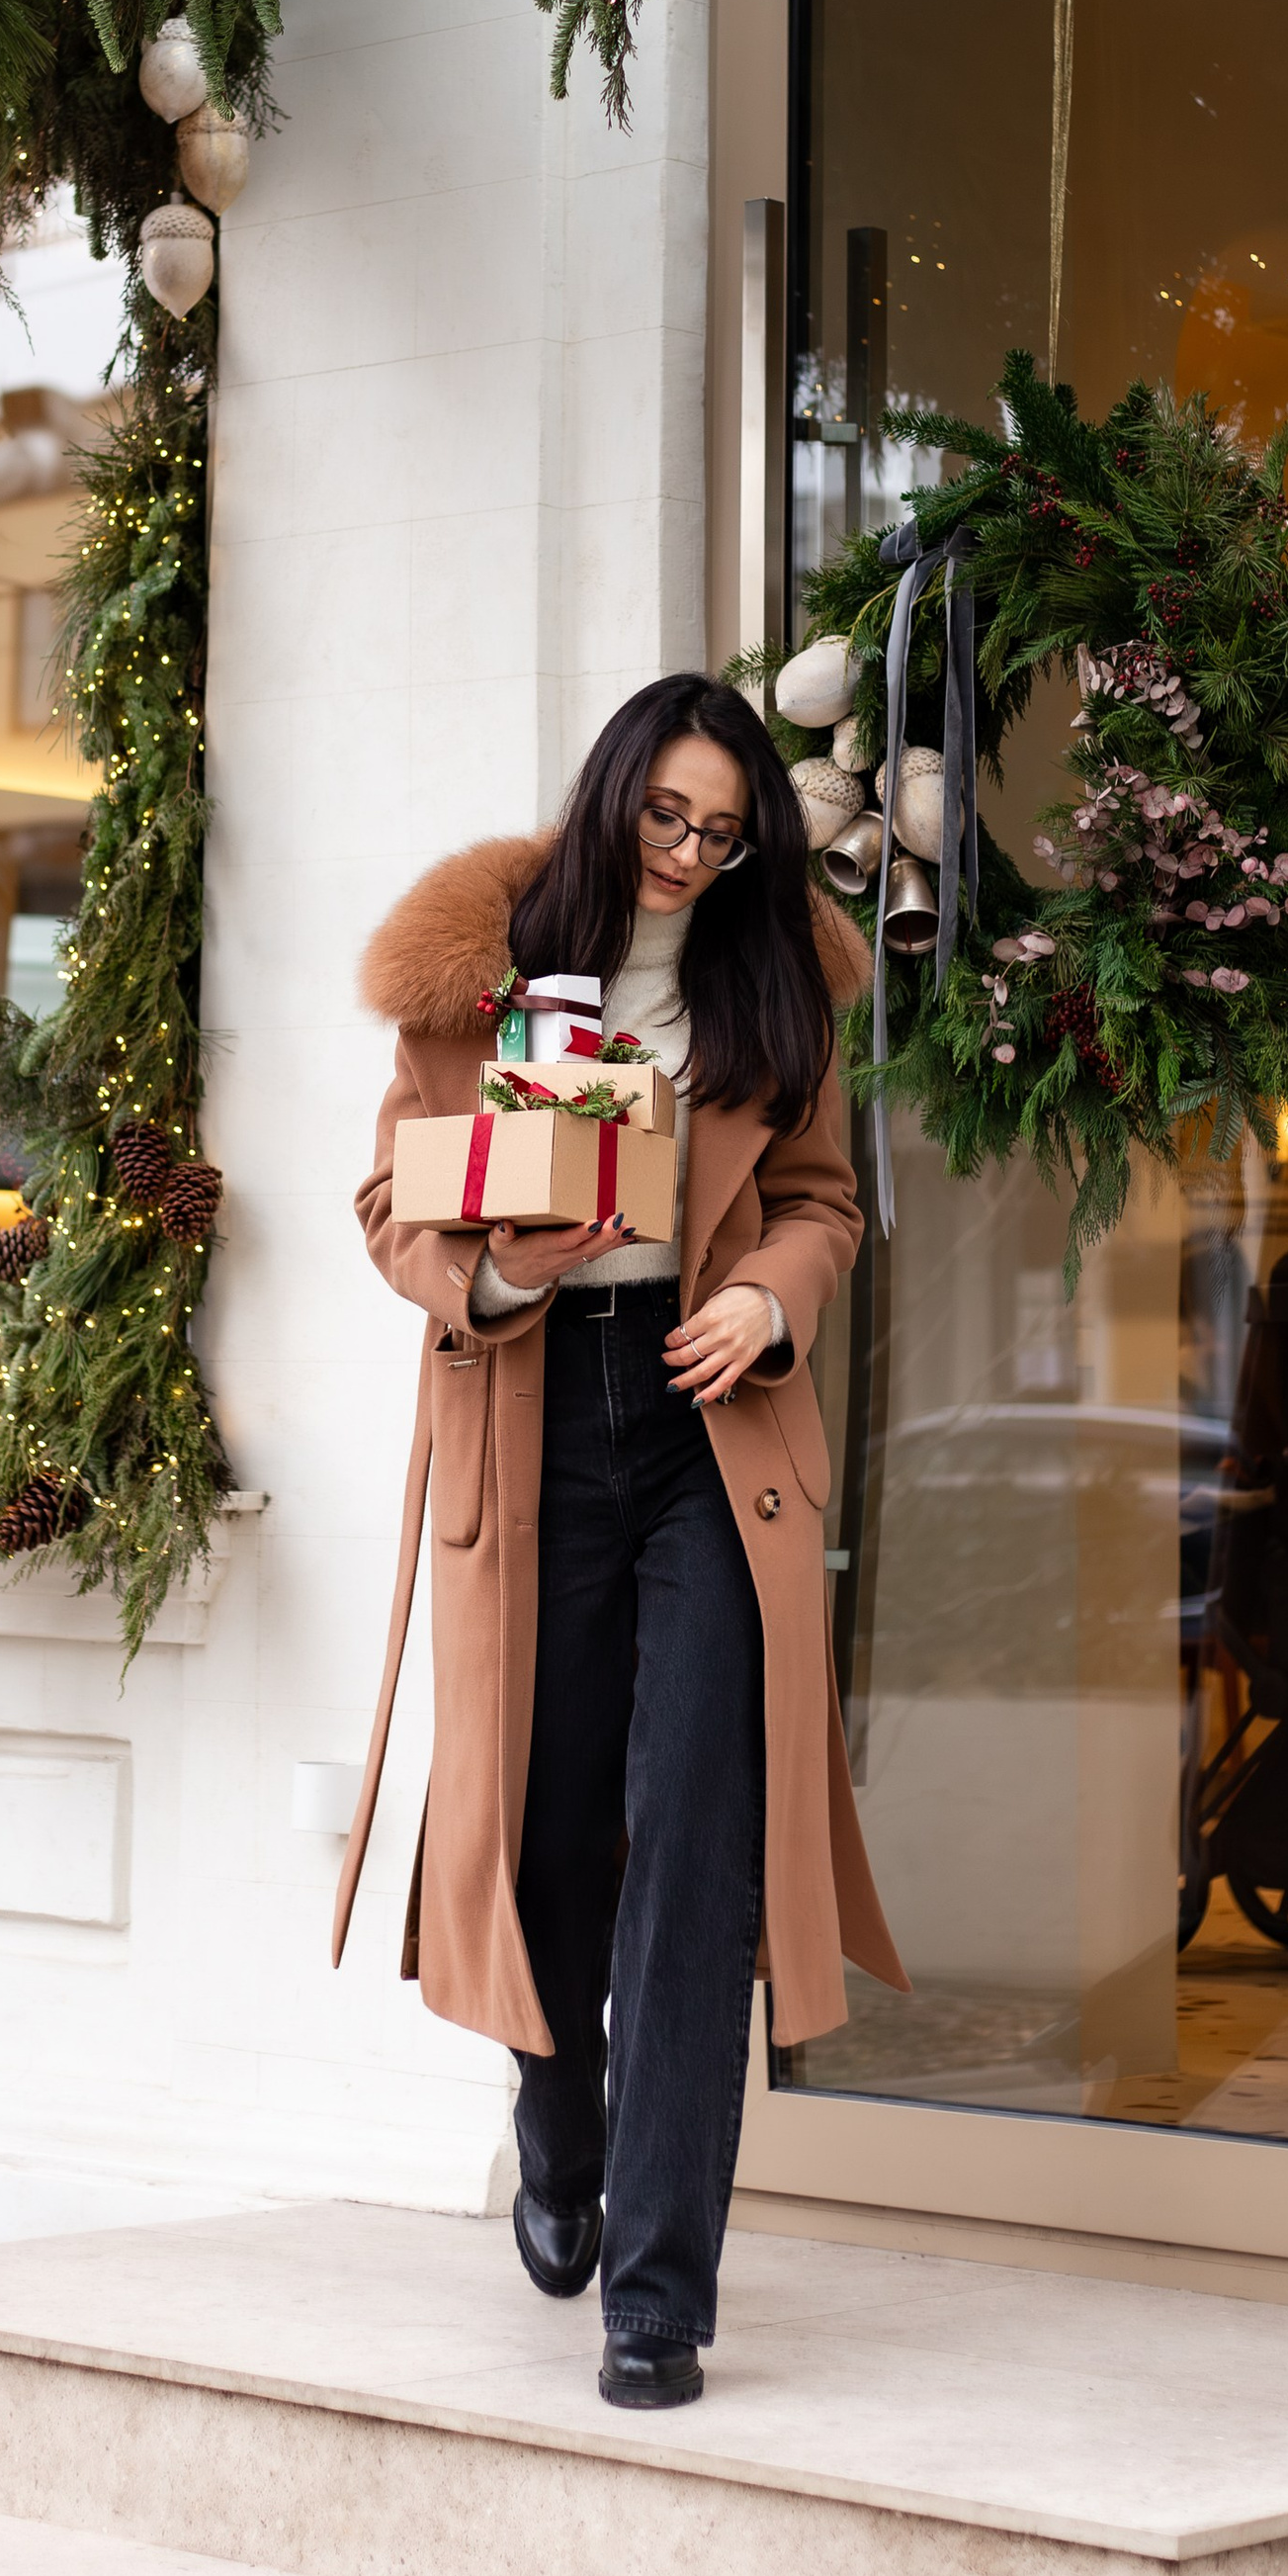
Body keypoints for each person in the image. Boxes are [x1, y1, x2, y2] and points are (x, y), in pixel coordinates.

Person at [333, 673, 906, 2410]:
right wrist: (503, 1272)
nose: (687, 855)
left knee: (697, 1847)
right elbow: (389, 1203)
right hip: (531, 1411)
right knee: (551, 1827)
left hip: (704, 1425)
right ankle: (557, 2122)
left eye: (723, 834)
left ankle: (659, 2297)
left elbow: (821, 1202)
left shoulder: (775, 976)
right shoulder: (478, 965)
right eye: (666, 816)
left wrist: (767, 1298)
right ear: (612, 797)